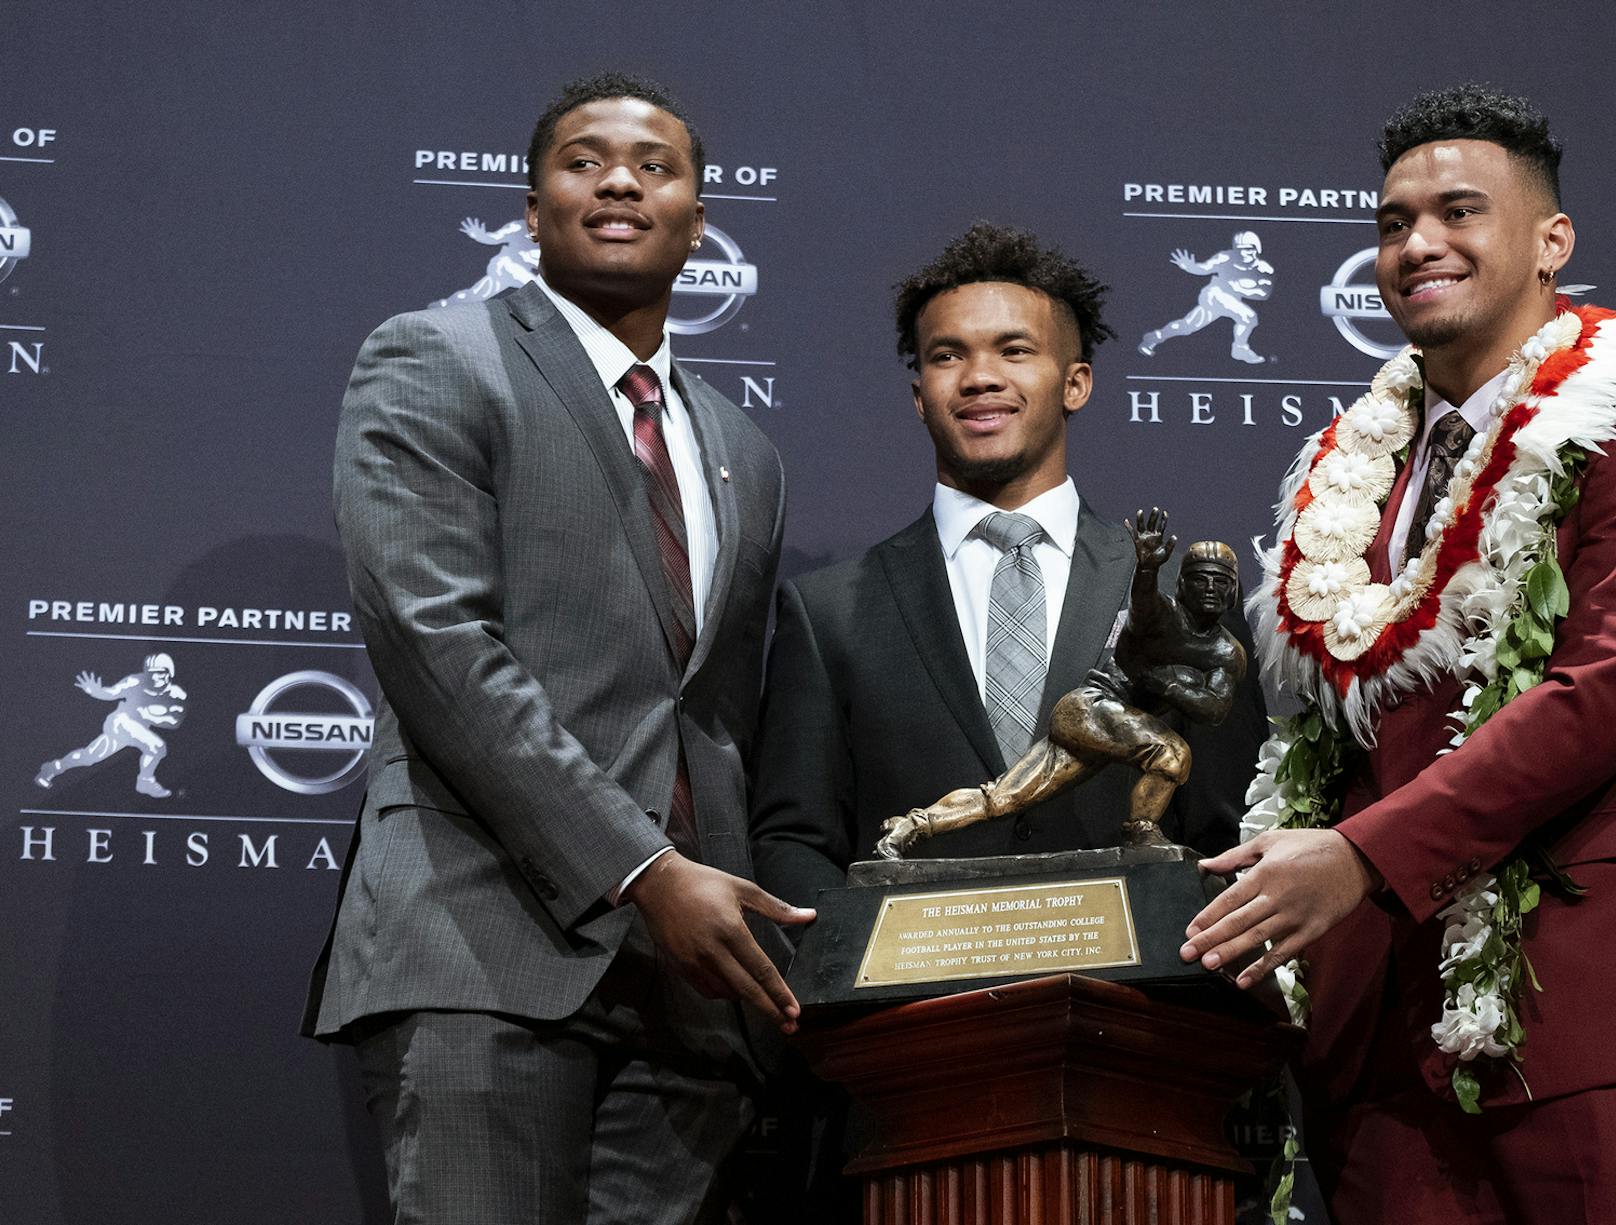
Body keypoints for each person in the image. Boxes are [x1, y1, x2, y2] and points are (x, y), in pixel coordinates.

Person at [1181, 85, 1616, 1224]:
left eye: (1458, 211)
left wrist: (1358, 856)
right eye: (1393, 222)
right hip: (1378, 1054)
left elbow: (1596, 698)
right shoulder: (1344, 476)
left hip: (1601, 1015)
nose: (1417, 245)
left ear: (1554, 243)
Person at [302, 72, 808, 1225]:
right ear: (531, 209)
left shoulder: (744, 447)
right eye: (585, 161)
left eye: (655, 166)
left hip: (692, 996)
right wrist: (640, 869)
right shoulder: (437, 358)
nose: (620, 179)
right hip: (485, 947)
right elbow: (437, 644)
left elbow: (715, 717)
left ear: (698, 216)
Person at [747, 222, 1266, 1220]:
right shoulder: (830, 608)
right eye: (948, 356)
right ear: (918, 393)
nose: (978, 376)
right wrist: (873, 1007)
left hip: (1146, 1095)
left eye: (1012, 349)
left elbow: (1230, 831)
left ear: (1075, 382)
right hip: (905, 1108)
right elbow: (795, 840)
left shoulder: (1180, 598)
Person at [874, 511, 1247, 857]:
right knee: (1172, 753)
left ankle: (911, 826)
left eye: (1220, 581)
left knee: (1003, 797)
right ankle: (1140, 830)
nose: (1210, 589)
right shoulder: (1162, 616)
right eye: (1201, 579)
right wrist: (1147, 569)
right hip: (1088, 708)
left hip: (1106, 734)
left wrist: (1167, 685)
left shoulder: (1226, 652)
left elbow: (1213, 708)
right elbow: (1143, 607)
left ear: (1232, 590)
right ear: (1181, 585)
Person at [34, 653, 186, 797]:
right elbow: (112, 693)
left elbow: (174, 722)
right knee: (157, 746)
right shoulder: (135, 681)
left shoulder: (176, 694)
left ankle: (52, 768)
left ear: (169, 673)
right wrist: (96, 691)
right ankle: (145, 782)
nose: (154, 677)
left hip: (135, 731)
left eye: (159, 672)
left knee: (88, 757)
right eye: (151, 672)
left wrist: (150, 716)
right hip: (121, 722)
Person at [1136, 231, 1274, 364]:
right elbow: (1204, 268)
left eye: (1249, 249)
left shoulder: (1263, 269)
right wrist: (1190, 267)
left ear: (1257, 249)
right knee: (1248, 317)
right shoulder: (1225, 258)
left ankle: (1154, 338)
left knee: (1186, 326)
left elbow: (1263, 294)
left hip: (1231, 300)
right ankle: (1240, 349)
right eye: (1240, 249)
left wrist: (1240, 289)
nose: (1244, 253)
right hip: (1215, 295)